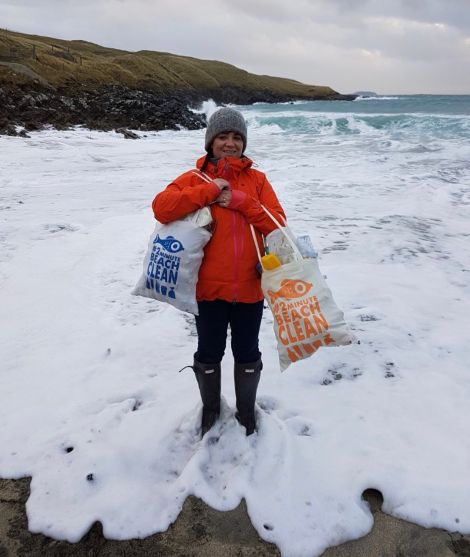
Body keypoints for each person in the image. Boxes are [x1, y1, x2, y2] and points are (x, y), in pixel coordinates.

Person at [152, 107, 286, 437]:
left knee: (248, 352)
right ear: (211, 142)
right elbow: (162, 207)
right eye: (223, 137)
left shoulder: (257, 181)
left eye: (237, 137)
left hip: (251, 287)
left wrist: (242, 200)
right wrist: (210, 191)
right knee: (209, 351)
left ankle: (245, 412)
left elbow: (278, 225)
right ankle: (211, 408)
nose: (230, 143)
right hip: (208, 289)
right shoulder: (194, 179)